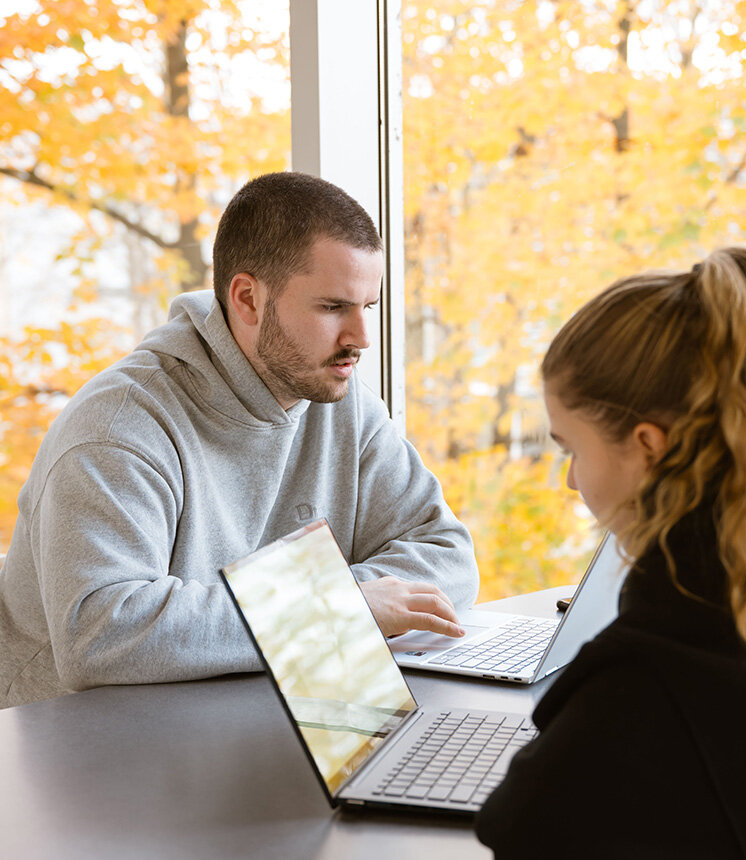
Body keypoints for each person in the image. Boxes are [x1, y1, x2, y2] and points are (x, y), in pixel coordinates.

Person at [475, 244, 746, 858]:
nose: (571, 481)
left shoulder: (652, 687)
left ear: (649, 447)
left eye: (572, 449)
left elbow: (528, 830)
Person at [0, 172, 478, 710]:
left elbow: (449, 556)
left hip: (255, 722)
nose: (360, 339)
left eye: (367, 307)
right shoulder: (118, 427)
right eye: (331, 307)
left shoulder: (339, 401)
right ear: (247, 298)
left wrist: (340, 607)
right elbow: (101, 637)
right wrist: (336, 606)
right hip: (74, 752)